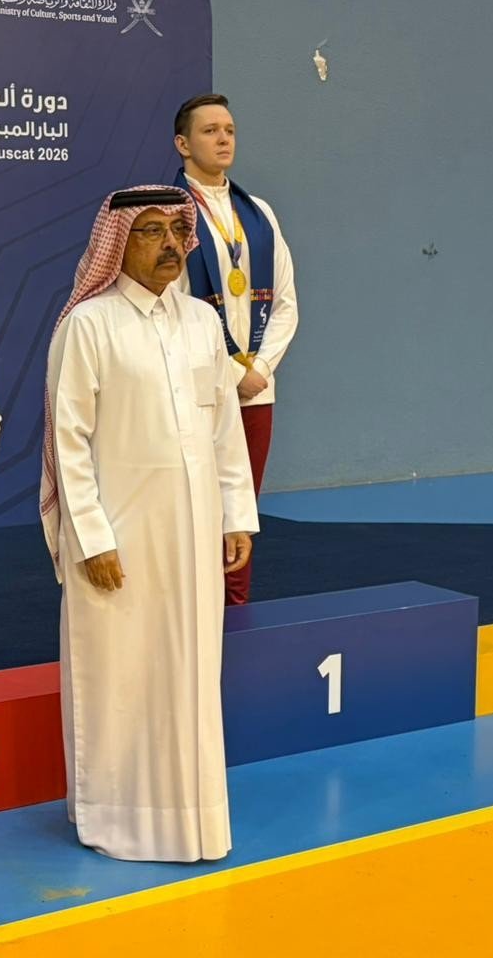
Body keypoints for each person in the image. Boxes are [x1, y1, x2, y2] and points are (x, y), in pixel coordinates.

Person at [40, 186, 259, 862]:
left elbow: (224, 426)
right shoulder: (89, 325)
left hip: (193, 541)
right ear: (118, 242)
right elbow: (67, 442)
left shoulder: (201, 321)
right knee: (120, 677)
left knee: (189, 675)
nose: (169, 245)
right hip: (119, 542)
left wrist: (235, 515)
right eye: (151, 231)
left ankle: (194, 819)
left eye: (176, 232)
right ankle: (116, 818)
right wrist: (90, 538)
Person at [172, 93, 299, 605]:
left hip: (255, 391)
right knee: (193, 506)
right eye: (210, 131)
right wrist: (229, 371)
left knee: (241, 510)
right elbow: (173, 308)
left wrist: (260, 368)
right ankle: (194, 613)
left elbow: (286, 302)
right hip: (197, 390)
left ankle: (235, 612)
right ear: (182, 144)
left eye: (229, 130)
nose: (223, 139)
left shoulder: (259, 213)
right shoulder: (170, 213)